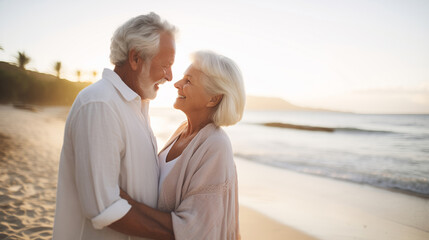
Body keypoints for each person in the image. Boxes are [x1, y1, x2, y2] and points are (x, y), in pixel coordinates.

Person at [53, 13, 176, 239]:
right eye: (166, 65)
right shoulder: (100, 104)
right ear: (136, 58)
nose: (170, 76)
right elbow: (103, 208)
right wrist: (178, 234)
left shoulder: (137, 107)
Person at [121, 50, 245, 240]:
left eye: (188, 81)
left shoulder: (216, 145)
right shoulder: (183, 130)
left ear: (213, 98)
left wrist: (125, 203)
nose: (177, 84)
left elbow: (195, 228)